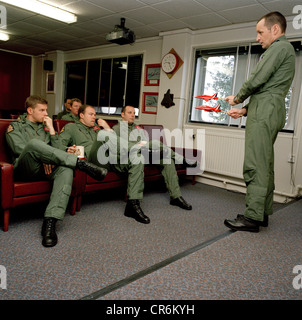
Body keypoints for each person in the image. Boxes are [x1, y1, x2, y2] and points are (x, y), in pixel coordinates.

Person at [224, 12, 295, 232]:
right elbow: (267, 90)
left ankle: (252, 217)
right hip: (266, 109)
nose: (257, 37)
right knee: (264, 163)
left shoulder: (279, 48)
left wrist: (237, 97)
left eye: (260, 32)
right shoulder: (283, 50)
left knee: (255, 163)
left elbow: (258, 78)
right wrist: (244, 110)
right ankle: (261, 212)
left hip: (266, 110)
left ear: (275, 30)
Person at [5, 96, 107, 247]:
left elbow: (58, 151)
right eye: (42, 110)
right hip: (24, 167)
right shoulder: (15, 126)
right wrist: (46, 157)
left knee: (65, 168)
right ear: (30, 110)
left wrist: (52, 130)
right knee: (34, 144)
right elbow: (20, 149)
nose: (46, 113)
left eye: (46, 110)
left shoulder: (45, 127)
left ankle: (50, 222)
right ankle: (81, 165)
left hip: (44, 169)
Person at [112, 105, 196, 211]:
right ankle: (181, 160)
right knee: (155, 143)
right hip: (132, 156)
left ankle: (176, 197)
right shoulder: (117, 128)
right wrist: (142, 144)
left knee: (167, 160)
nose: (132, 115)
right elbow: (124, 146)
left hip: (146, 153)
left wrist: (146, 146)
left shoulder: (138, 128)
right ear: (122, 114)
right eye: (129, 113)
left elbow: (145, 142)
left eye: (134, 113)